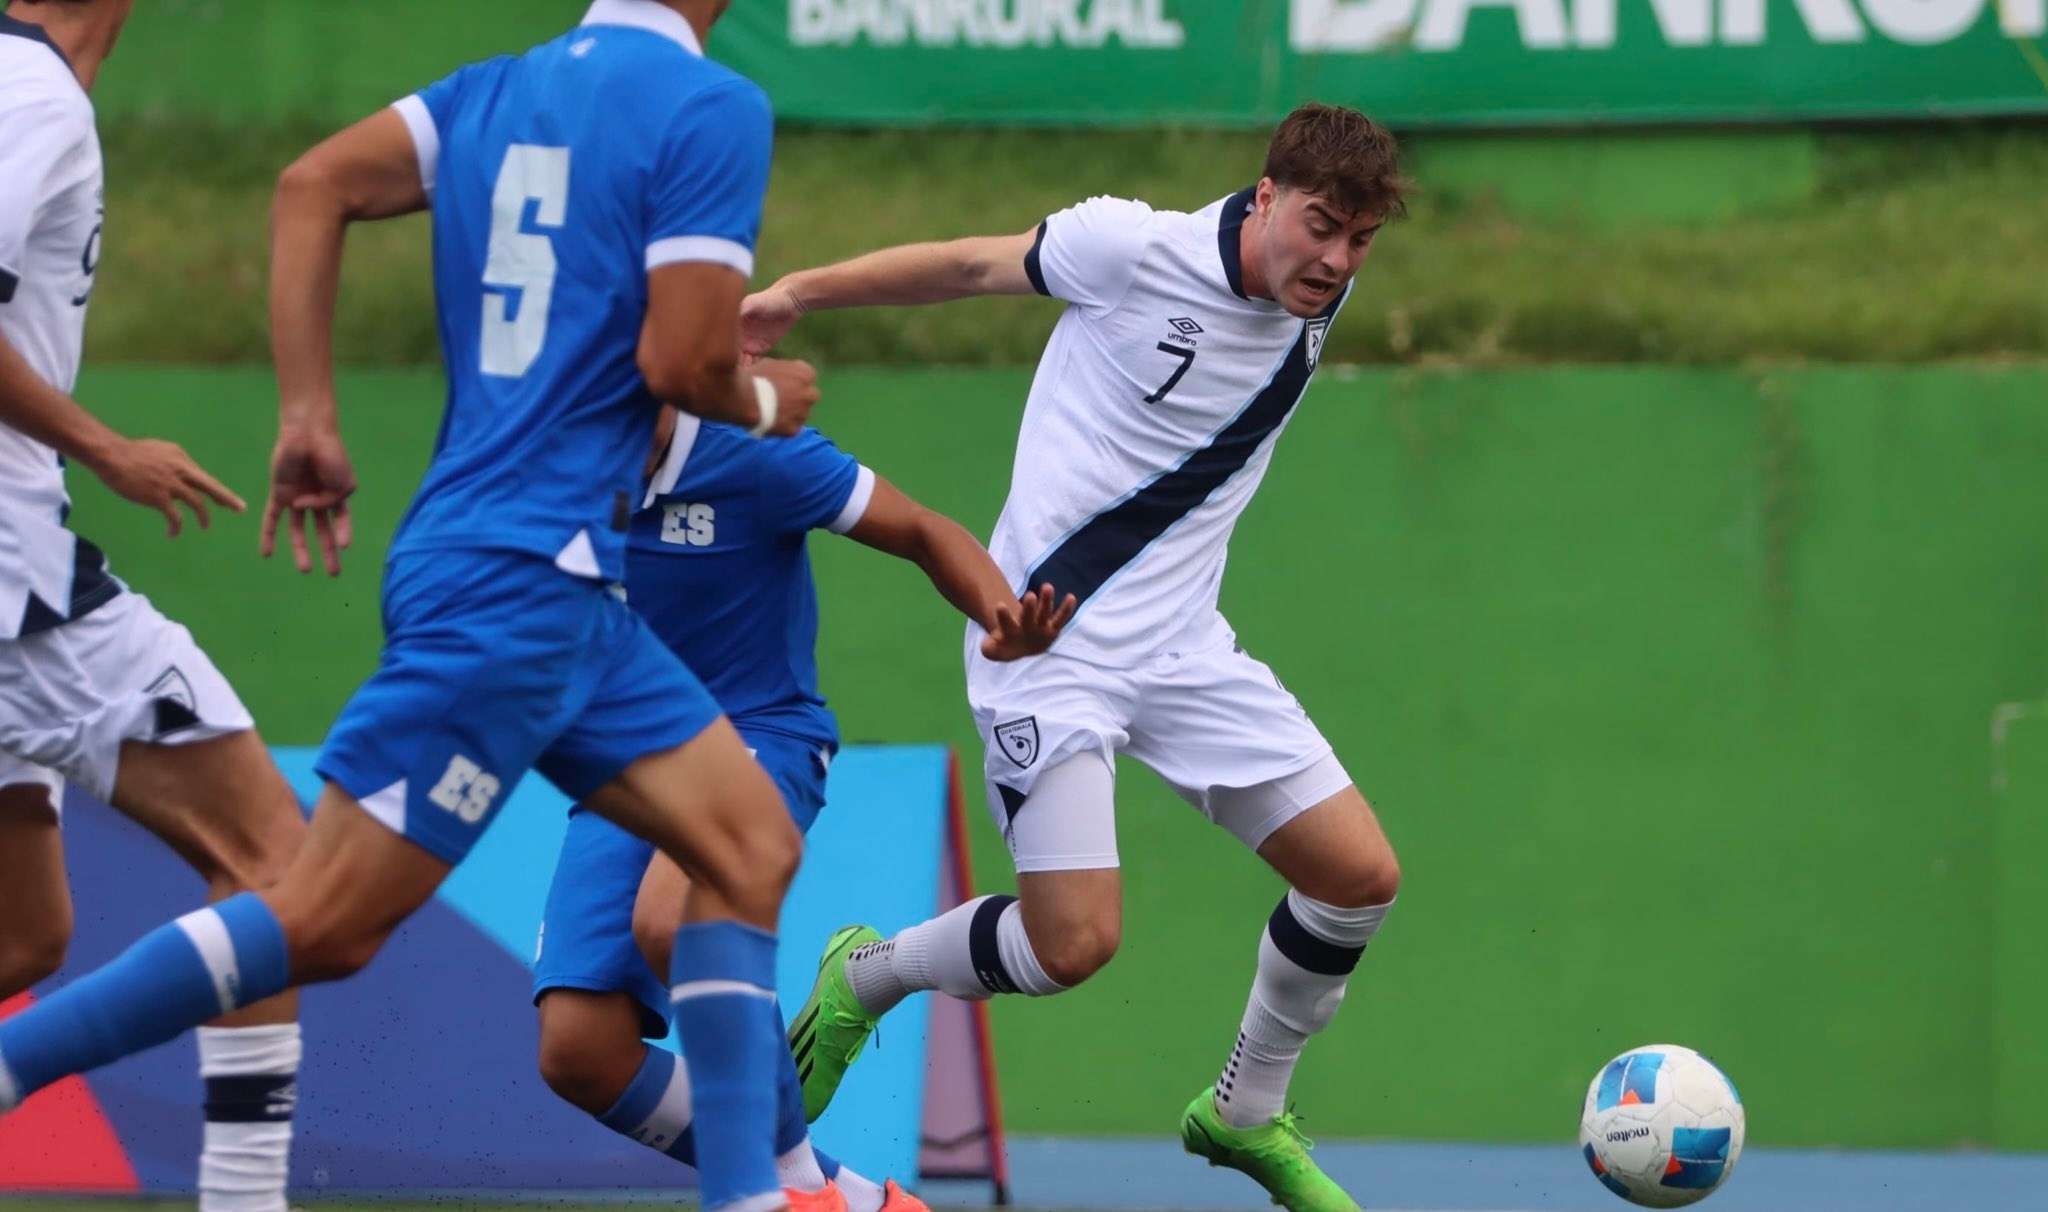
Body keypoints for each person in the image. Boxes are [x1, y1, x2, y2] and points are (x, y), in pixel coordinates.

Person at [0, 4, 818, 1210]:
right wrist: (763, 400)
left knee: (747, 843)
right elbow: (682, 362)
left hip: (557, 580)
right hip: (515, 584)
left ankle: (754, 1197)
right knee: (319, 918)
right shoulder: (709, 104)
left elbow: (310, 182)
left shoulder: (497, 89)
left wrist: (307, 414)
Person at [750, 104, 1408, 1212]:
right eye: (1318, 226)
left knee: (1356, 879)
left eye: (1358, 241)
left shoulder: (1318, 294)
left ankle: (1243, 1114)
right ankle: (866, 972)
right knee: (1072, 946)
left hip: (1186, 650)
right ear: (1261, 198)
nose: (1336, 260)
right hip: (1044, 651)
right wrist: (798, 291)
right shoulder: (1129, 249)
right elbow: (964, 266)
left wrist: (1326, 256)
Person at [531, 407, 1072, 1212]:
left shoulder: (757, 458)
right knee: (579, 1052)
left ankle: (787, 1187)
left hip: (758, 735)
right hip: (628, 757)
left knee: (672, 918)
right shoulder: (547, 458)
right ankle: (849, 1196)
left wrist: (1001, 615)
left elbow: (921, 528)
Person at [0, 4, 311, 1208]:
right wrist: (108, 447)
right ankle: (245, 1198)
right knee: (278, 871)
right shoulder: (31, 92)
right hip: (15, 580)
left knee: (25, 937)